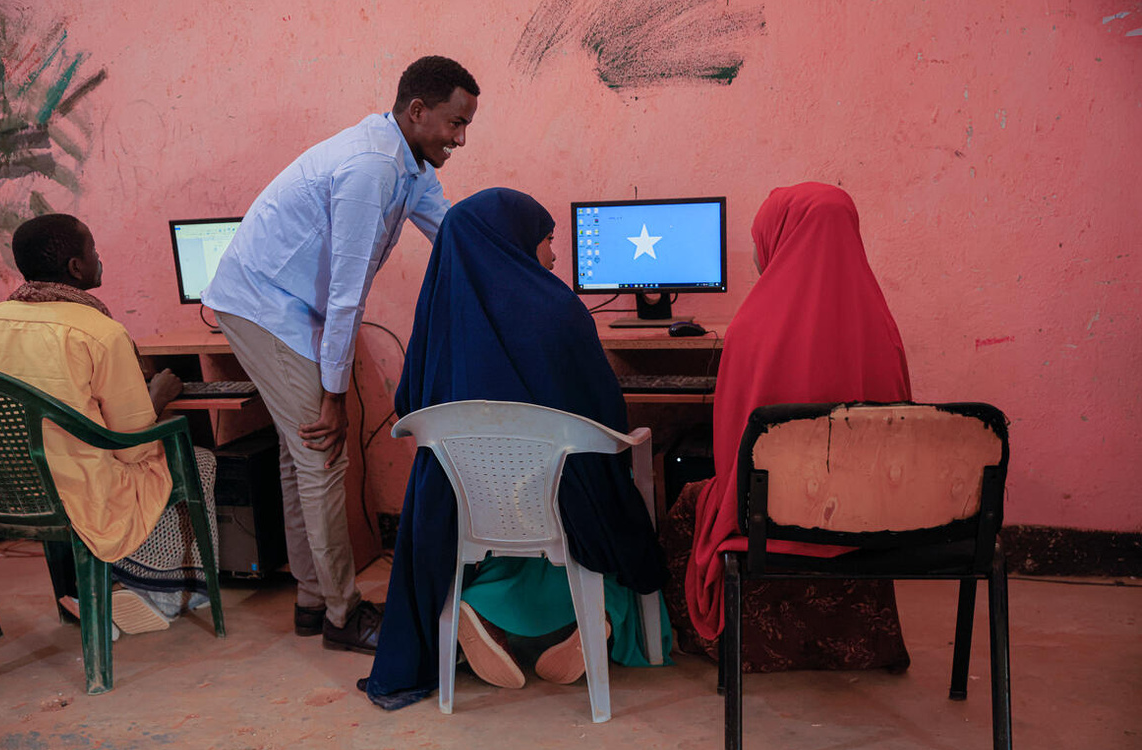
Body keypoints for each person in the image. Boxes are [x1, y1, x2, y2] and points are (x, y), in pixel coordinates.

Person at [200, 56, 480, 653]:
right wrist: (334, 399)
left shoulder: (412, 163)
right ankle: (340, 614)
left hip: (299, 305)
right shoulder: (371, 168)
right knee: (322, 450)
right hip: (264, 302)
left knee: (297, 452)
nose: (460, 139)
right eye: (454, 124)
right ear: (416, 111)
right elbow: (348, 294)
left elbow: (455, 233)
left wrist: (520, 255)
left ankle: (310, 598)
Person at [362, 188, 670, 709]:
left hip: (459, 508)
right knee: (607, 506)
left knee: (516, 521)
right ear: (513, 244)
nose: (553, 255)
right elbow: (605, 416)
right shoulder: (559, 312)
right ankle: (604, 614)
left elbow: (408, 402)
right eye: (547, 240)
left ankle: (479, 613)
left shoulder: (436, 323)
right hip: (559, 501)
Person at [662, 182, 913, 672]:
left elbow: (732, 450)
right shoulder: (882, 327)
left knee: (689, 501)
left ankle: (738, 641)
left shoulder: (752, 328)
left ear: (779, 237)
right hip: (871, 518)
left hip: (769, 518)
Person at [0, 213, 218, 635]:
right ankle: (158, 592)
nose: (99, 258)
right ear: (76, 268)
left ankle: (100, 589)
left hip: (0, 494)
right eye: (93, 249)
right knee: (197, 460)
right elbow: (133, 445)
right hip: (78, 497)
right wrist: (158, 396)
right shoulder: (99, 332)